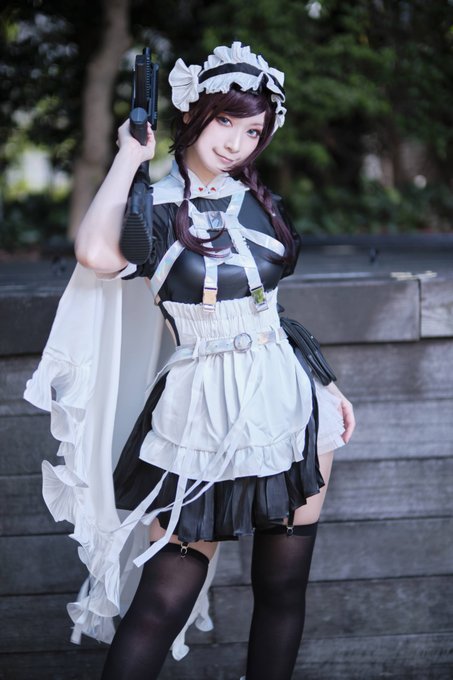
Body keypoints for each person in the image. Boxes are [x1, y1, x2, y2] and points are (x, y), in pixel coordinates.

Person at [25, 42, 355, 680]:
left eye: (252, 130)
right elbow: (93, 253)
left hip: (290, 404)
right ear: (194, 114)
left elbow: (270, 311)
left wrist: (326, 382)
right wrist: (130, 155)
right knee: (161, 600)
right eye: (225, 121)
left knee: (283, 588)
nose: (236, 142)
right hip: (197, 413)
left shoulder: (259, 201)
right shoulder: (152, 208)